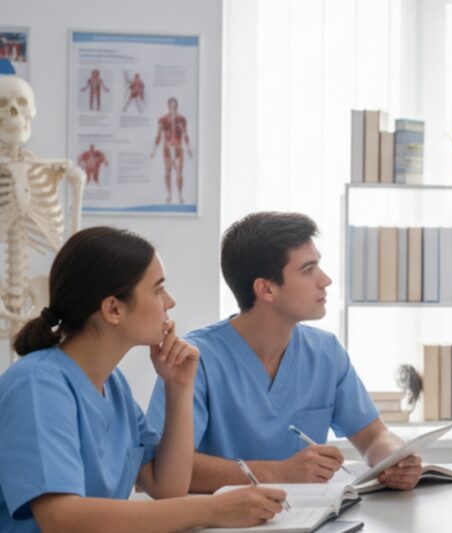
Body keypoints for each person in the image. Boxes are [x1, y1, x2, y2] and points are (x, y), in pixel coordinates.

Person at [0, 227, 285, 532]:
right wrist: (210, 508)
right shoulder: (37, 385)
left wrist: (179, 386)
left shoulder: (114, 385)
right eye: (158, 289)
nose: (170, 302)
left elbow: (167, 487)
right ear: (113, 309)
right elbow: (62, 518)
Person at [147, 212, 423, 493]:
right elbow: (167, 471)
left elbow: (374, 437)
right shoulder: (194, 360)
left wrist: (395, 458)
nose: (325, 280)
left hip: (310, 519)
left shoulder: (326, 352)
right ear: (266, 289)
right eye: (308, 270)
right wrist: (277, 473)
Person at [150, 97, 192, 204]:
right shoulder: (163, 119)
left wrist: (188, 148)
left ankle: (180, 195)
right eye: (171, 106)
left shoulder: (181, 119)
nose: (173, 108)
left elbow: (185, 134)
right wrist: (154, 149)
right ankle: (169, 195)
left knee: (179, 172)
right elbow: (158, 135)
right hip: (167, 148)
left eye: (174, 106)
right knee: (168, 172)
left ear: (177, 106)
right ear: (168, 106)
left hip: (178, 148)